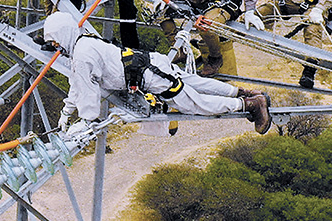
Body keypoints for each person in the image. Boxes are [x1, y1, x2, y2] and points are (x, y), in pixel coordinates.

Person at [42, 12, 271, 135]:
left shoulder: (81, 56)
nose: (56, 48)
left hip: (152, 78)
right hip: (152, 62)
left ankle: (251, 104)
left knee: (197, 105)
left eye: (54, 42)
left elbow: (87, 93)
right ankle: (244, 92)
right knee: (196, 83)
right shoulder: (84, 44)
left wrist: (86, 120)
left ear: (62, 35)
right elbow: (78, 85)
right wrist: (66, 111)